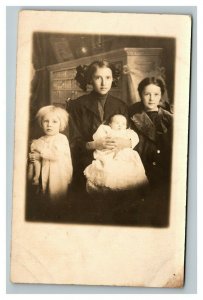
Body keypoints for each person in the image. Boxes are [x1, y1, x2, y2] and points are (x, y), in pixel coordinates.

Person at [68, 60, 129, 190]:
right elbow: (73, 141)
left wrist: (124, 143)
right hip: (86, 163)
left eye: (108, 77)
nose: (103, 83)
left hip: (116, 164)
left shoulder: (121, 106)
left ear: (113, 79)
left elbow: (129, 135)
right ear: (90, 79)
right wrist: (94, 144)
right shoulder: (77, 106)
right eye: (98, 78)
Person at [129, 77, 173, 226]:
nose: (151, 98)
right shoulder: (131, 116)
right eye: (147, 94)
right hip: (139, 168)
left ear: (161, 95)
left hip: (162, 171)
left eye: (156, 94)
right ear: (140, 94)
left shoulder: (169, 118)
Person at [84, 114, 148, 192]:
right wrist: (100, 141)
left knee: (130, 169)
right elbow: (96, 137)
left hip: (125, 154)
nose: (120, 125)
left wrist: (128, 142)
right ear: (110, 124)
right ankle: (109, 186)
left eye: (123, 124)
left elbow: (135, 138)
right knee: (108, 167)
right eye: (117, 123)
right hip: (109, 152)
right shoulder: (106, 129)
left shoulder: (128, 132)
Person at [28, 105, 73, 201]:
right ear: (41, 123)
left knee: (55, 196)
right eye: (46, 121)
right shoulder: (40, 140)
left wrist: (40, 154)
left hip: (58, 173)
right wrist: (33, 157)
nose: (49, 125)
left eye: (54, 121)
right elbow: (35, 154)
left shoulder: (61, 138)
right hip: (43, 173)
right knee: (43, 196)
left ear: (61, 124)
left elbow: (56, 155)